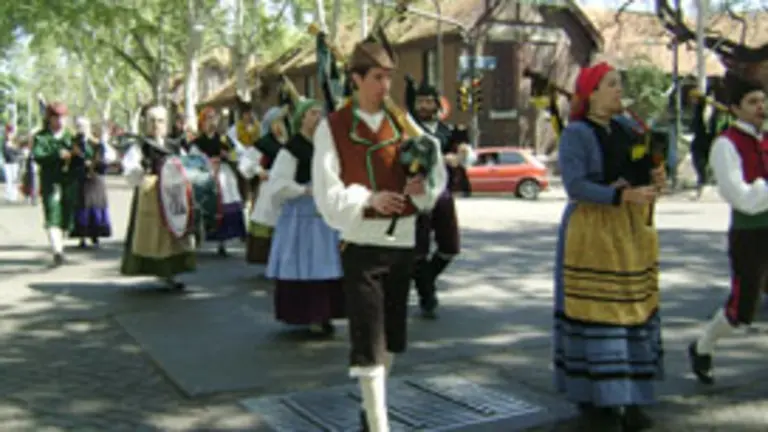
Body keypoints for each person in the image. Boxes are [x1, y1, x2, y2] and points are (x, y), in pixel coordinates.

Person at [312, 31, 446, 432]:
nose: (385, 86)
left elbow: (434, 170)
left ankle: (371, 411)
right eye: (377, 77)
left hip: (403, 241)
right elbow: (326, 192)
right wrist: (368, 198)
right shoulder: (334, 127)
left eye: (389, 77)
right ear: (355, 79)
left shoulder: (403, 124)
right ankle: (379, 423)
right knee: (368, 339)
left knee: (391, 338)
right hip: (362, 245)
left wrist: (422, 189)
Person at [553, 62, 665, 432]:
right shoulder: (577, 134)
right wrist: (621, 195)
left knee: (633, 309)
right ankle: (596, 402)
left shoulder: (628, 129)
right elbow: (575, 185)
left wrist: (655, 177)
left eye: (619, 84)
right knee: (596, 313)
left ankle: (631, 399)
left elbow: (640, 169)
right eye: (612, 84)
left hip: (629, 231)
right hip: (592, 232)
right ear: (592, 93)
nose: (620, 90)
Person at [688, 72, 768, 385]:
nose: (760, 107)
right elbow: (742, 198)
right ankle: (703, 346)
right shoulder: (726, 145)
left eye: (762, 101)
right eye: (752, 102)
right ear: (735, 108)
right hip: (750, 235)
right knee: (742, 310)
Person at [266, 98, 344, 336]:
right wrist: (303, 190)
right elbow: (278, 184)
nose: (318, 118)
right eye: (312, 113)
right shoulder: (292, 149)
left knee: (325, 263)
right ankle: (311, 315)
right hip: (301, 215)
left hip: (324, 215)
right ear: (301, 118)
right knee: (307, 264)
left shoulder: (326, 146)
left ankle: (325, 313)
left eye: (320, 113)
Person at [120, 105, 195, 290]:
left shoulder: (174, 145)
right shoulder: (140, 146)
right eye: (152, 120)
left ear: (166, 123)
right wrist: (140, 173)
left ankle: (171, 274)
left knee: (173, 233)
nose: (156, 124)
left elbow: (186, 166)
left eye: (160, 121)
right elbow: (130, 168)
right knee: (151, 234)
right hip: (150, 194)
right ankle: (156, 270)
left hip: (173, 194)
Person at [405, 76, 462, 320]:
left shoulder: (447, 131)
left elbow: (463, 153)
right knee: (418, 250)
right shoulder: (409, 129)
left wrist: (459, 157)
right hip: (417, 191)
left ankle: (425, 280)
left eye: (429, 101)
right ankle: (427, 295)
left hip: (442, 191)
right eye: (420, 101)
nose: (424, 106)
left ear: (437, 104)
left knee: (450, 246)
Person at [190, 107, 247, 256]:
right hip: (206, 175)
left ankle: (223, 242)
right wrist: (207, 162)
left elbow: (240, 153)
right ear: (202, 122)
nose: (212, 122)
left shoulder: (224, 139)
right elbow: (193, 158)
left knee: (227, 202)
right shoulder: (197, 142)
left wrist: (228, 156)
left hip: (224, 174)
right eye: (208, 118)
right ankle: (200, 236)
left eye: (214, 118)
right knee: (207, 205)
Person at [242, 107, 287, 267]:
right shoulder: (264, 143)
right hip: (269, 189)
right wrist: (258, 170)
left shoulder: (291, 142)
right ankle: (270, 260)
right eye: (276, 123)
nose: (279, 126)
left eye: (281, 122)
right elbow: (246, 162)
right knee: (269, 221)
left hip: (288, 188)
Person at [33, 102, 76, 266]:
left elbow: (86, 154)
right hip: (51, 182)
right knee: (52, 215)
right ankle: (58, 251)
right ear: (49, 119)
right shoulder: (41, 137)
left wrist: (79, 152)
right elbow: (38, 156)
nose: (60, 120)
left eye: (63, 117)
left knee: (66, 217)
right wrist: (57, 155)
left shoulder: (71, 137)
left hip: (69, 183)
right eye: (56, 117)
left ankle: (60, 245)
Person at [70, 117, 111, 247]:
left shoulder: (97, 143)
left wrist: (95, 164)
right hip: (81, 179)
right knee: (81, 208)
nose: (81, 129)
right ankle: (82, 237)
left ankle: (95, 236)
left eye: (83, 126)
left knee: (96, 207)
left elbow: (104, 162)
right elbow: (70, 163)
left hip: (96, 180)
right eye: (79, 126)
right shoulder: (73, 143)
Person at [3, 124, 21, 203]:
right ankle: (8, 195)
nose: (9, 134)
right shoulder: (5, 141)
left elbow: (18, 152)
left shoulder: (15, 142)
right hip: (7, 163)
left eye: (11, 132)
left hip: (14, 163)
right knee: (8, 179)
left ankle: (13, 195)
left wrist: (12, 148)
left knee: (14, 179)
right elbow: (5, 152)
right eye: (8, 132)